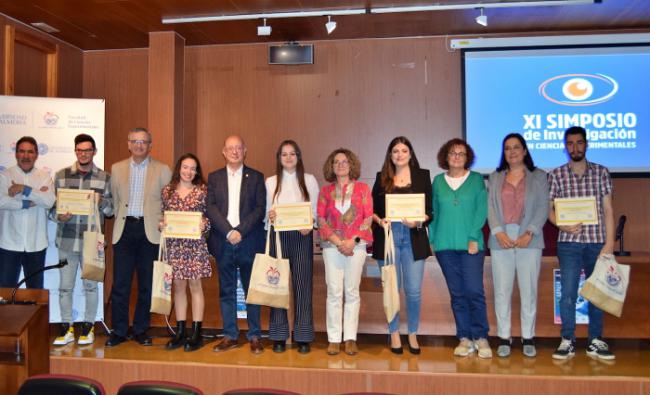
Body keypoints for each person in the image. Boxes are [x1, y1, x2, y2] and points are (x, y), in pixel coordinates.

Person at [548, 126, 615, 361]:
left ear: (586, 144)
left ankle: (595, 340)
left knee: (596, 294)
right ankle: (567, 339)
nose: (575, 147)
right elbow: (549, 211)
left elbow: (608, 209)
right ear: (565, 146)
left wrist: (609, 244)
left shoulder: (601, 172)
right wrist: (561, 225)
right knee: (567, 294)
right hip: (568, 243)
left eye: (579, 143)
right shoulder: (556, 174)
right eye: (570, 143)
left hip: (597, 243)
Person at [107, 127, 171, 347]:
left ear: (150, 145)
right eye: (134, 141)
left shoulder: (163, 170)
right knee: (120, 285)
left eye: (143, 142)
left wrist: (165, 221)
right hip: (124, 231)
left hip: (150, 232)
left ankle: (141, 329)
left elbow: (168, 203)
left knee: (147, 285)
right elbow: (114, 201)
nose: (139, 145)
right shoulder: (116, 169)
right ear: (128, 144)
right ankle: (119, 331)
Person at [487, 133, 548, 358]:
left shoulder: (539, 177)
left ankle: (528, 337)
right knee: (502, 291)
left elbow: (543, 206)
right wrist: (498, 232)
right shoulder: (495, 177)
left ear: (524, 151)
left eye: (516, 147)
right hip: (500, 237)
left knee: (528, 290)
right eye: (507, 148)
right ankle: (504, 336)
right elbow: (490, 207)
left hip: (529, 239)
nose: (511, 152)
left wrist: (529, 232)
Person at [429, 138, 491, 358]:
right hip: (444, 246)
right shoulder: (437, 181)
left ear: (468, 158)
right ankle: (464, 338)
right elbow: (434, 212)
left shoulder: (476, 180)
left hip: (471, 245)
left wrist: (475, 236)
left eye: (461, 153)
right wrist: (433, 240)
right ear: (446, 157)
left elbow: (481, 210)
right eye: (452, 153)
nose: (456, 156)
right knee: (457, 294)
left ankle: (481, 337)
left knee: (474, 290)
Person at [371, 136, 432, 355]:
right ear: (390, 155)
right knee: (392, 289)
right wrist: (380, 221)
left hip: (414, 237)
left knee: (413, 291)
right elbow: (372, 210)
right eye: (395, 151)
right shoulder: (381, 177)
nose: (399, 154)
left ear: (410, 153)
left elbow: (430, 211)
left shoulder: (423, 176)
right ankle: (394, 332)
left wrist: (419, 220)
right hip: (389, 238)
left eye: (404, 150)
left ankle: (413, 333)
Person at [52, 134, 113, 346]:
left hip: (91, 241)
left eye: (87, 150)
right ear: (75, 151)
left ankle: (88, 326)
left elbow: (112, 209)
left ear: (94, 151)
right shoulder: (61, 176)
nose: (83, 153)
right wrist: (59, 215)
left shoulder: (105, 177)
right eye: (79, 150)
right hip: (67, 241)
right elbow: (52, 209)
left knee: (91, 287)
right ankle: (66, 327)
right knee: (65, 287)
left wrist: (101, 201)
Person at [207, 135, 266, 354]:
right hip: (223, 241)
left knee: (253, 291)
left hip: (248, 240)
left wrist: (239, 231)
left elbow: (260, 209)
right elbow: (210, 208)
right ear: (224, 151)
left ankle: (254, 335)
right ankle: (230, 335)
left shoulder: (257, 177)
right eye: (230, 148)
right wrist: (229, 231)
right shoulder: (214, 178)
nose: (234, 152)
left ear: (245, 150)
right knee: (227, 291)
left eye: (239, 148)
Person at [265, 140, 320, 354]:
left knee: (302, 285)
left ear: (299, 156)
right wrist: (270, 216)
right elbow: (266, 213)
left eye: (292, 154)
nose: (288, 158)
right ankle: (279, 335)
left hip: (301, 236)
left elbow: (314, 210)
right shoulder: (270, 182)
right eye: (284, 154)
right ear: (279, 158)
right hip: (277, 237)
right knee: (277, 285)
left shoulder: (309, 180)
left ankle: (303, 335)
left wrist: (310, 223)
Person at [317, 148, 373, 356]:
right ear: (331, 167)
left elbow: (368, 218)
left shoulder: (363, 189)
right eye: (336, 162)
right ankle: (333, 338)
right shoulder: (325, 192)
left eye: (344, 161)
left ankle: (350, 338)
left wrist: (352, 241)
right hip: (332, 248)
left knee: (352, 292)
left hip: (356, 247)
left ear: (352, 165)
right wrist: (339, 241)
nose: (340, 165)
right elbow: (321, 220)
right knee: (334, 292)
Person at [161, 153, 212, 352]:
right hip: (175, 245)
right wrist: (162, 223)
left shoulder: (203, 191)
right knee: (179, 287)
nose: (188, 171)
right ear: (178, 168)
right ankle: (180, 332)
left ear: (197, 171)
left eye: (193, 168)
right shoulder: (167, 191)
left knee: (195, 286)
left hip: (195, 246)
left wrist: (204, 224)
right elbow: (163, 216)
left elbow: (209, 218)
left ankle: (196, 332)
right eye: (185, 167)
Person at [0, 136, 55, 289]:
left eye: (30, 152)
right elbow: (2, 201)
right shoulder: (5, 176)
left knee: (35, 294)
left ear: (36, 154)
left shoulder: (44, 177)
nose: (26, 156)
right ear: (16, 154)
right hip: (8, 245)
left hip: (36, 245)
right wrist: (29, 202)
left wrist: (24, 189)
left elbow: (49, 201)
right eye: (22, 151)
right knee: (4, 294)